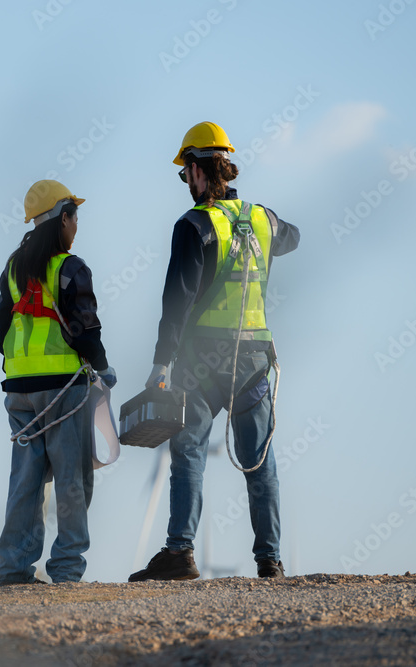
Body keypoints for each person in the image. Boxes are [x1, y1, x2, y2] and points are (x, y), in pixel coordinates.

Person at [129, 122, 300, 581]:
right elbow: (293, 236)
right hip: (253, 364)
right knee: (259, 460)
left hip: (202, 359)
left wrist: (160, 364)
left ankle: (180, 553)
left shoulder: (194, 225)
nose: (187, 183)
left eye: (186, 174)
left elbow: (177, 299)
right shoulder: (263, 220)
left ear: (199, 170)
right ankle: (271, 560)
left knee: (188, 454)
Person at [0, 179, 116, 585]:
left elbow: (0, 326)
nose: (77, 224)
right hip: (64, 389)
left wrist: (21, 362)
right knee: (72, 480)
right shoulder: (70, 268)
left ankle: (13, 568)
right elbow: (84, 329)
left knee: (25, 480)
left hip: (20, 391)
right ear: (63, 218)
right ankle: (66, 568)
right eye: (74, 216)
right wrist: (103, 366)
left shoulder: (13, 269)